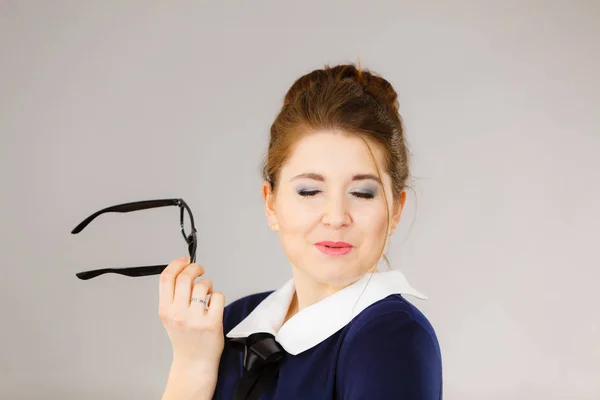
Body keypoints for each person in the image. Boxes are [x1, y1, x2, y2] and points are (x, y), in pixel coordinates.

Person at [159, 63, 443, 400]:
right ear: (271, 204)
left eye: (363, 193)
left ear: (395, 209)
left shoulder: (392, 336)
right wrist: (192, 365)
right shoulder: (234, 323)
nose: (336, 217)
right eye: (309, 191)